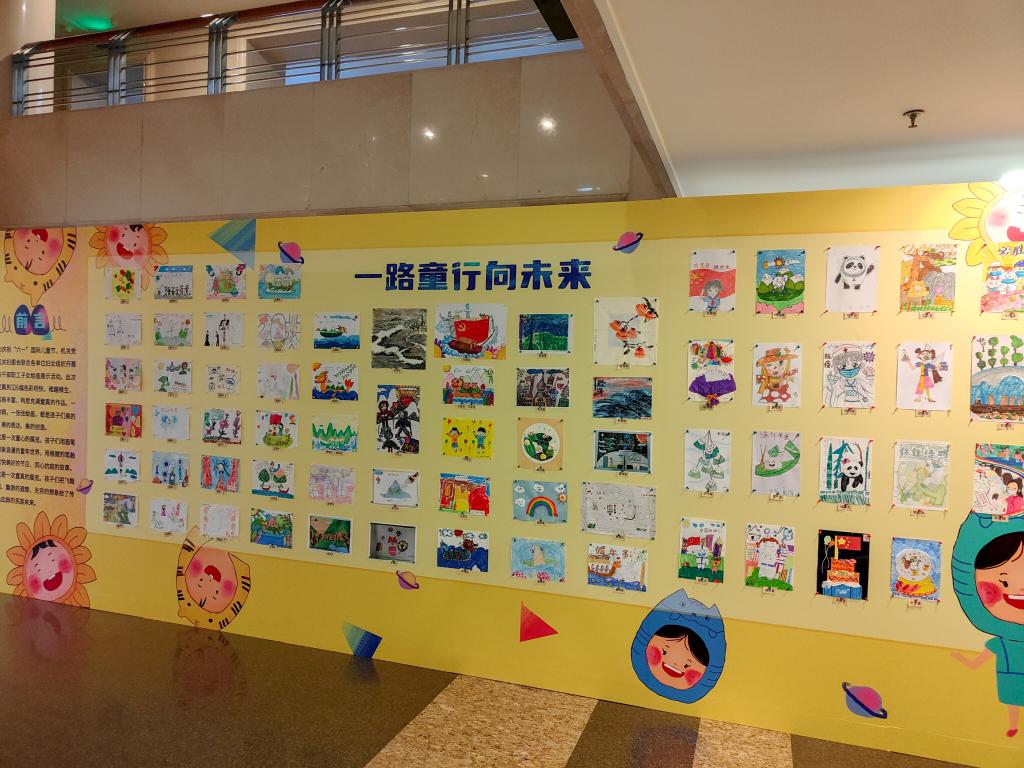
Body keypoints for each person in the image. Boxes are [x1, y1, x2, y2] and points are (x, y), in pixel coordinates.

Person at [952, 521, 1024, 738]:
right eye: (1004, 582)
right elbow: (978, 662)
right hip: (1008, 679)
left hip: (1008, 677)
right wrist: (962, 659)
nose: (1020, 588)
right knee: (1013, 702)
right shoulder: (1000, 642)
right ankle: (1013, 725)